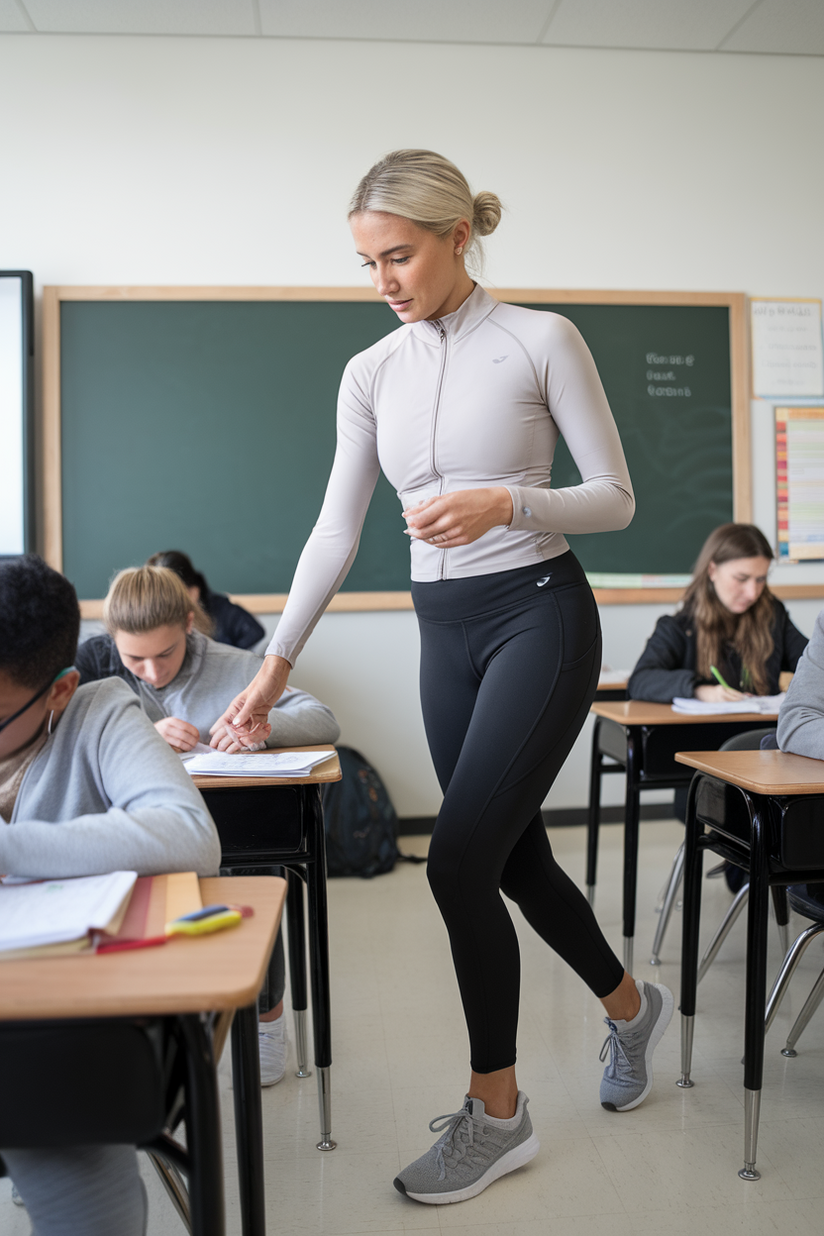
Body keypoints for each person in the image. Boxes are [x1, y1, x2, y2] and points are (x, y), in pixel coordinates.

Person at [211, 149, 673, 1204]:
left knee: (456, 861)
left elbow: (613, 497)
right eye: (366, 261)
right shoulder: (369, 371)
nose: (382, 280)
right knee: (510, 862)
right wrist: (273, 664)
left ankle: (496, 1112)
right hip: (443, 630)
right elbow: (335, 529)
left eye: (399, 255)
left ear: (458, 236)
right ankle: (627, 1007)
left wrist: (508, 502)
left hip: (538, 616)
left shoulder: (539, 338)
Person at [0, 554, 221, 1236]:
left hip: (48, 1020)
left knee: (80, 1182)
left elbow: (190, 837)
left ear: (60, 692)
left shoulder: (99, 712)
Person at [75, 564, 341, 1084]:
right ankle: (146, 1019)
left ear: (190, 627)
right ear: (112, 641)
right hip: (135, 828)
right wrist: (144, 732)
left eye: (166, 654)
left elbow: (324, 720)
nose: (151, 672)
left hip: (226, 831)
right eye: (136, 658)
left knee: (254, 876)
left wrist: (263, 726)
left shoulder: (236, 666)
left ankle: (266, 1018)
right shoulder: (96, 669)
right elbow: (59, 737)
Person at [628, 523, 807, 706]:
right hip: (706, 733)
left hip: (762, 732)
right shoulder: (681, 626)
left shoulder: (773, 615)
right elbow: (640, 681)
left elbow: (812, 663)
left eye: (761, 579)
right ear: (712, 571)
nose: (753, 593)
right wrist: (699, 690)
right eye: (741, 579)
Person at [147, 549, 265, 650]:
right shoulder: (151, 619)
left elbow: (255, 636)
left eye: (172, 595)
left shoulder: (227, 613)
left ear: (193, 591)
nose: (166, 604)